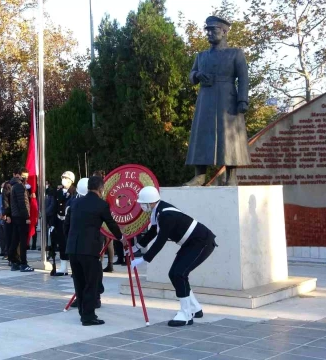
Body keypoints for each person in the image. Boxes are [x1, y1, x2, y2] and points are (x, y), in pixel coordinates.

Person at [128, 186, 217, 327]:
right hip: (191, 243)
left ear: (150, 202)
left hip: (202, 242)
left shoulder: (165, 214)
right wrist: (136, 247)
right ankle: (194, 308)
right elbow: (152, 232)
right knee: (176, 274)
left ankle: (186, 314)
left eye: (142, 203)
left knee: (178, 274)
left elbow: (161, 239)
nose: (141, 206)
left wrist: (144, 259)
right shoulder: (159, 211)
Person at [184, 16, 250, 186]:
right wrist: (197, 75)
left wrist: (243, 100)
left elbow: (243, 77)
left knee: (230, 138)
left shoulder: (235, 53)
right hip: (205, 99)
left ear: (224, 32)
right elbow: (191, 76)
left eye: (213, 30)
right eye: (208, 31)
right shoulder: (201, 56)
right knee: (201, 134)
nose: (209, 34)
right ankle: (199, 176)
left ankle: (231, 176)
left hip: (227, 99)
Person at [65, 176, 122, 326]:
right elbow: (111, 223)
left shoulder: (75, 203)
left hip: (73, 248)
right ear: (101, 189)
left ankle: (82, 312)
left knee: (79, 282)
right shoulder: (101, 205)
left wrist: (69, 243)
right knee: (91, 283)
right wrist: (121, 238)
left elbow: (67, 225)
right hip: (89, 250)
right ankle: (88, 316)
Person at [8, 168, 34, 272]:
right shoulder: (19, 186)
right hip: (21, 217)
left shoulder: (14, 185)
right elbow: (22, 203)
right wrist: (27, 217)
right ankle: (23, 263)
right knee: (23, 242)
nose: (26, 177)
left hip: (16, 216)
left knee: (15, 239)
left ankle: (14, 261)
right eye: (24, 175)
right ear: (18, 175)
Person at [52, 171, 76, 276]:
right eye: (63, 178)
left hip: (70, 222)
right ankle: (63, 268)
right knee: (62, 244)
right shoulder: (58, 192)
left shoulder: (75, 192)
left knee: (71, 245)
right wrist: (52, 223)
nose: (64, 180)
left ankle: (74, 268)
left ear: (71, 180)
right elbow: (54, 208)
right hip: (59, 221)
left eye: (66, 178)